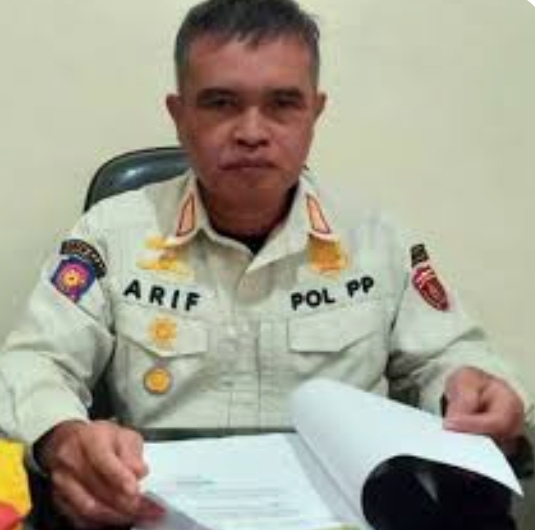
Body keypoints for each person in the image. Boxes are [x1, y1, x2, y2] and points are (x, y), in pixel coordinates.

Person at [0, 0, 532, 528]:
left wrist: (473, 388)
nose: (251, 132)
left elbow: (449, 355)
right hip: (160, 514)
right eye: (220, 103)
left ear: (314, 114)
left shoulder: (375, 238)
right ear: (180, 116)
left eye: (282, 104)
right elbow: (35, 362)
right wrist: (63, 438)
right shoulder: (110, 234)